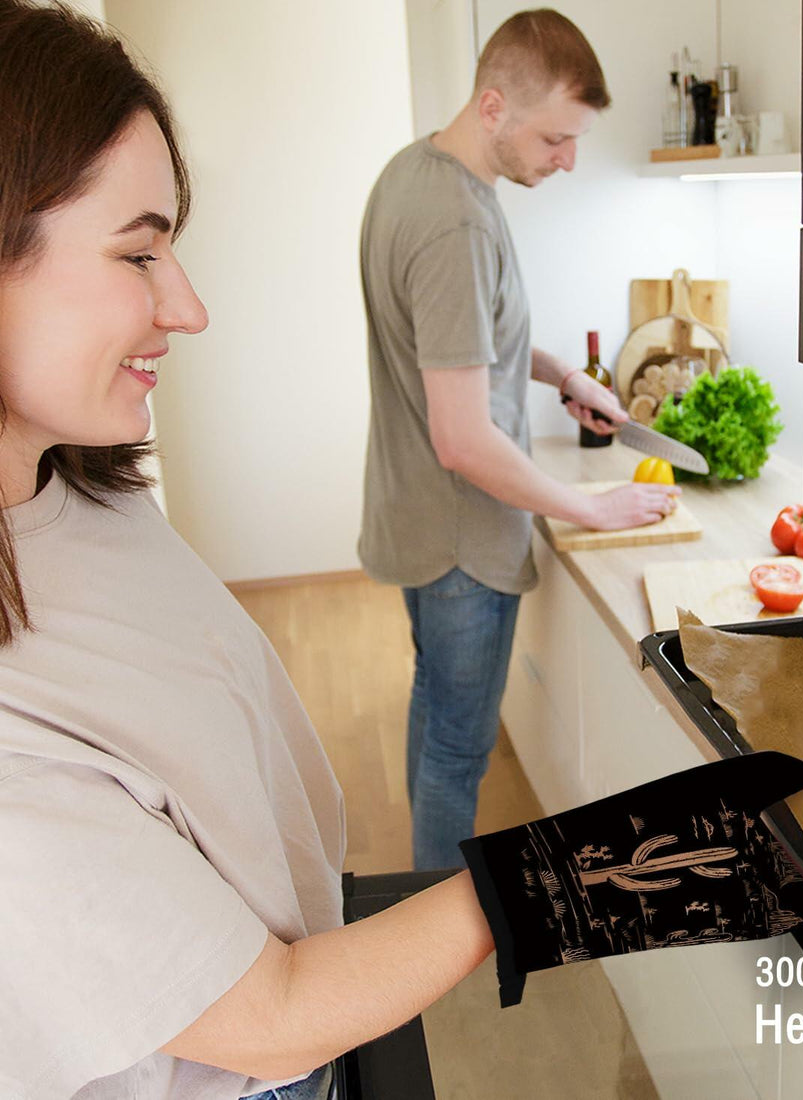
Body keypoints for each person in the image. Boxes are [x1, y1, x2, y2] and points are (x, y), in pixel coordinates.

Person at [0, 3, 494, 1097]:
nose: (189, 305)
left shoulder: (87, 495)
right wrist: (561, 877)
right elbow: (265, 1019)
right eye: (139, 250)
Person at [358, 9, 680, 871]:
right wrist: (592, 507)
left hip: (418, 519)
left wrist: (562, 376)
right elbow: (462, 438)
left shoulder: (414, 174)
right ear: (494, 106)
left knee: (435, 721)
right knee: (459, 754)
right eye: (557, 138)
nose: (568, 160)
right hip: (463, 538)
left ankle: (418, 903)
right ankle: (433, 928)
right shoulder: (455, 222)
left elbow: (465, 341)